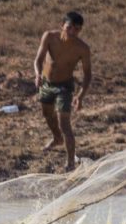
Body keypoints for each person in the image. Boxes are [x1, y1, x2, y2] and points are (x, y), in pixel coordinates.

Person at [34, 11, 92, 172]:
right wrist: (38, 75)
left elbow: (88, 75)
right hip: (46, 83)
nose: (72, 32)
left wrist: (80, 96)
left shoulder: (82, 48)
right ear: (62, 26)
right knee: (47, 114)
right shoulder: (50, 37)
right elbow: (38, 60)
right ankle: (56, 138)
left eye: (77, 29)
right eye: (69, 28)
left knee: (64, 124)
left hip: (65, 87)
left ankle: (70, 163)